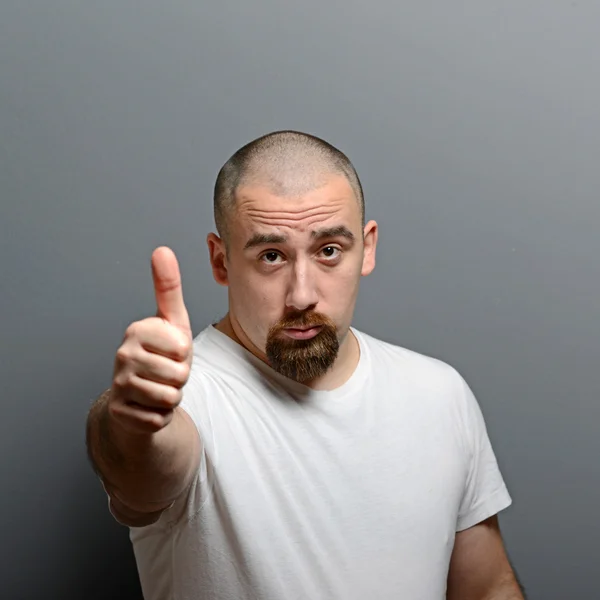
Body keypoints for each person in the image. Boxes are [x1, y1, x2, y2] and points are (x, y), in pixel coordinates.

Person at [86, 130, 525, 600]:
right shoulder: (187, 399)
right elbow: (140, 474)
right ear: (221, 261)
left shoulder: (441, 394)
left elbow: (487, 588)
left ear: (368, 247)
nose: (302, 295)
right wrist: (133, 422)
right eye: (271, 256)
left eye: (329, 251)